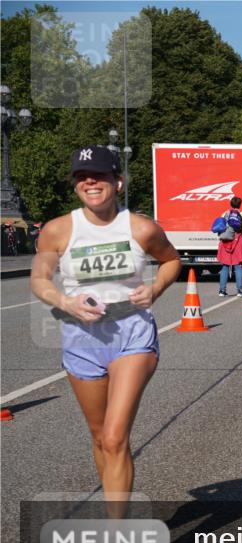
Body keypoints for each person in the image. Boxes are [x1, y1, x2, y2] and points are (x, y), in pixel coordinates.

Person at [30, 145, 180, 512]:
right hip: (81, 339)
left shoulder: (142, 228)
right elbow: (39, 278)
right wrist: (65, 302)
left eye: (98, 175)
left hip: (132, 334)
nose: (90, 182)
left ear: (118, 181)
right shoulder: (57, 230)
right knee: (100, 438)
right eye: (82, 177)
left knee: (114, 437)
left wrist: (155, 288)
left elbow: (171, 260)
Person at [216, 196, 242, 297]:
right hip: (238, 242)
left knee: (225, 266)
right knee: (238, 266)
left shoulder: (225, 213)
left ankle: (222, 291)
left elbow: (220, 227)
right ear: (240, 204)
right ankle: (240, 291)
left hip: (226, 242)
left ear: (231, 204)